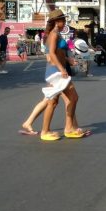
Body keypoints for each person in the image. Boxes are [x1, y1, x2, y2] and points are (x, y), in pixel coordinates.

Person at [40, 9, 86, 141]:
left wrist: (67, 59)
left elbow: (58, 52)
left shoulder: (56, 34)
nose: (64, 22)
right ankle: (64, 128)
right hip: (55, 71)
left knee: (54, 101)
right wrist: (62, 69)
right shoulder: (54, 34)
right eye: (62, 20)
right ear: (56, 21)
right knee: (70, 98)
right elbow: (52, 54)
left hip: (56, 70)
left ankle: (59, 129)